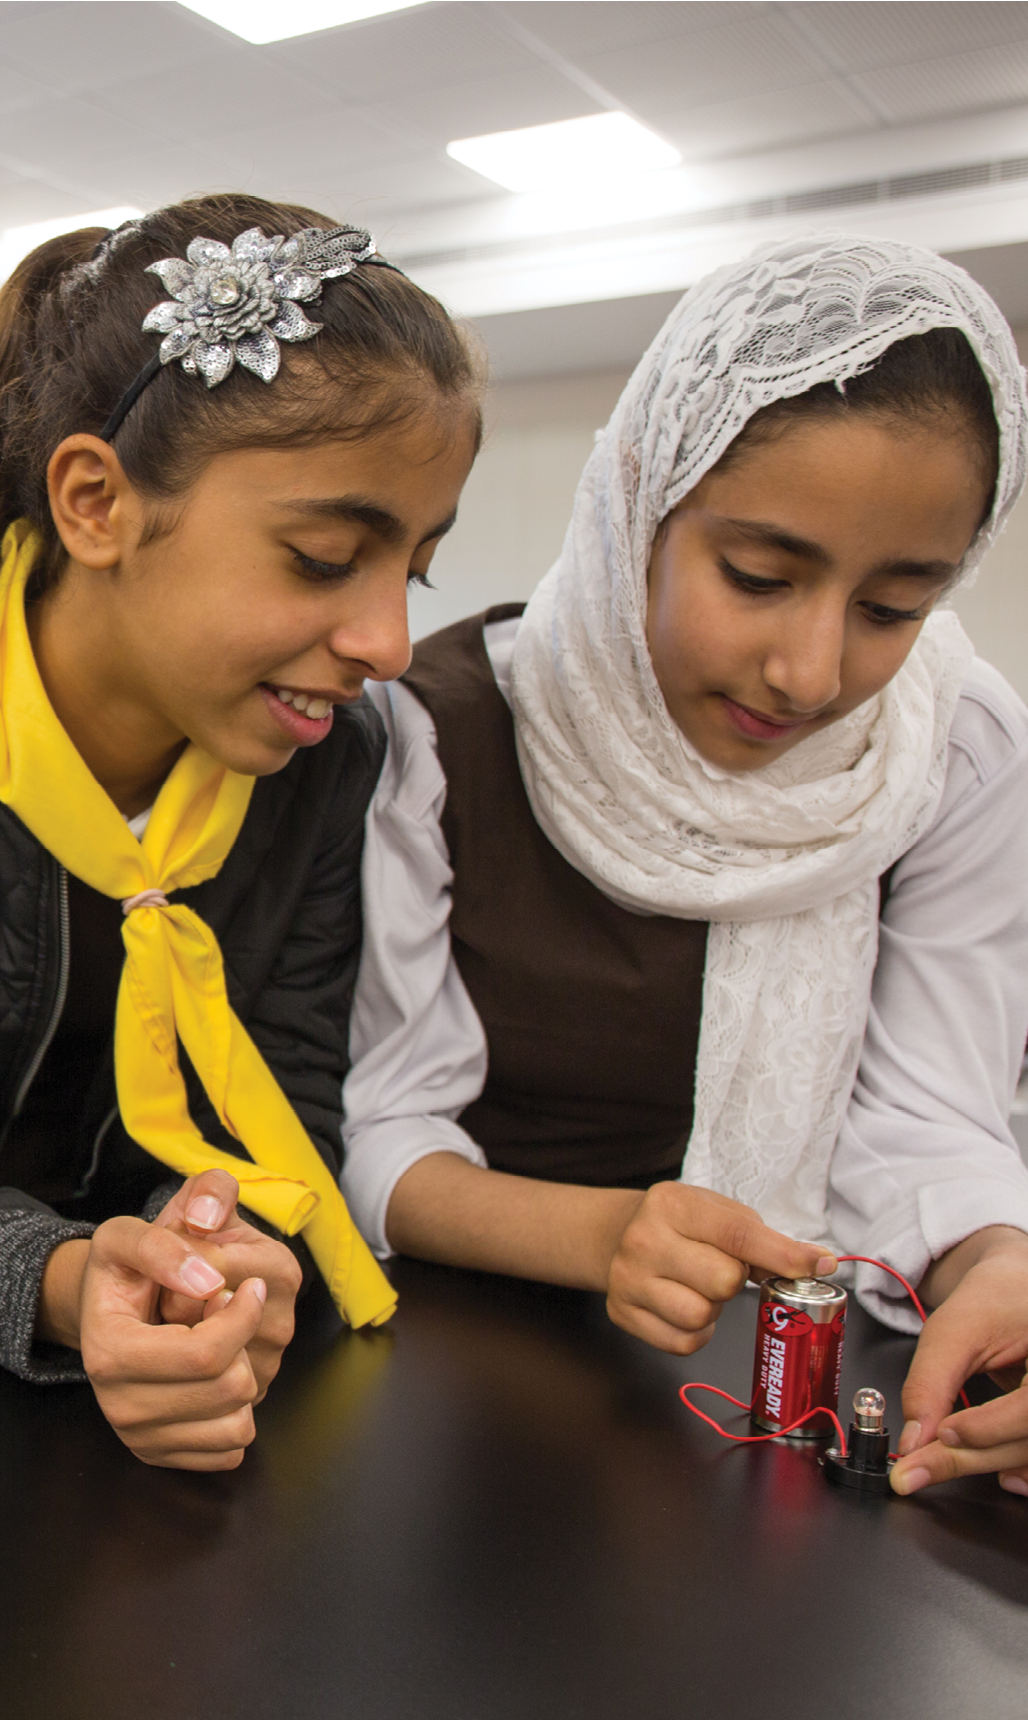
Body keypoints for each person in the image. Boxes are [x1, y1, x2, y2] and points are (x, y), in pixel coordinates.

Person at [342, 233, 1028, 1500]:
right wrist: (603, 1230)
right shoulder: (433, 730)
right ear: (637, 507)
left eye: (892, 609)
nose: (811, 672)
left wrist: (997, 1259)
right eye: (758, 577)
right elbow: (380, 1131)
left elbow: (934, 1110)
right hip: (477, 1406)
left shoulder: (955, 743)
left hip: (799, 1408)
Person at [0, 194, 480, 1469]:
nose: (387, 643)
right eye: (327, 557)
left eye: (414, 571)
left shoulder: (330, 757)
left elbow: (280, 1075)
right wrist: (60, 1276)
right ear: (96, 503)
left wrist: (211, 1247)